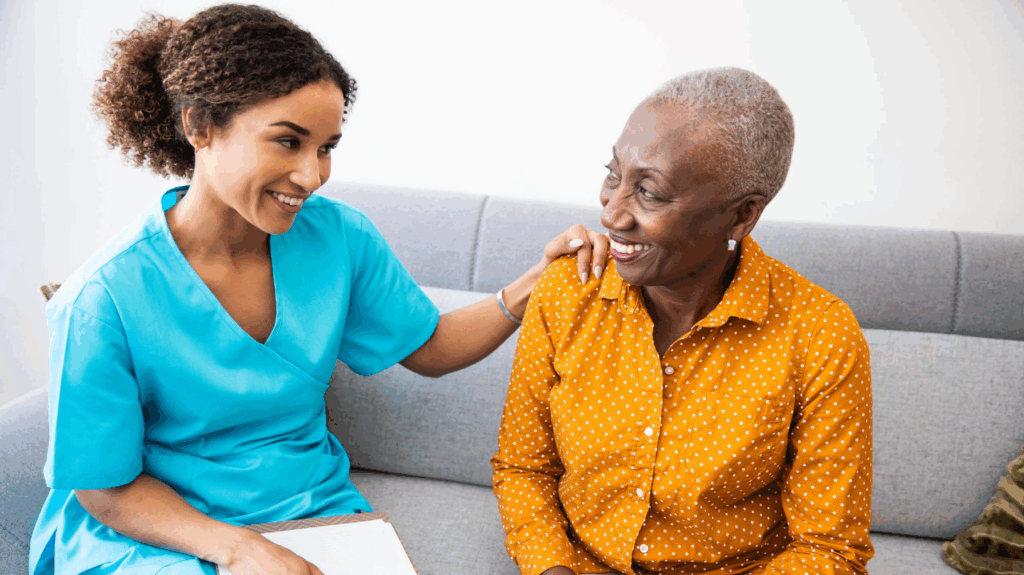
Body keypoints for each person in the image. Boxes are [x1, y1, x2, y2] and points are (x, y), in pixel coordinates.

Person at [29, 5, 608, 575]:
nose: (312, 175)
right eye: (288, 142)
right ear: (198, 126)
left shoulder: (338, 238)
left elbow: (432, 347)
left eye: (326, 147)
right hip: (153, 532)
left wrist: (537, 280)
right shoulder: (101, 299)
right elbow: (105, 491)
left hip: (303, 508)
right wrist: (239, 550)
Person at [491, 67, 874, 575]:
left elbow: (829, 549)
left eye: (649, 193)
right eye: (613, 175)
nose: (612, 214)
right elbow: (524, 469)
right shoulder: (569, 290)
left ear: (741, 215)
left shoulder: (820, 333)